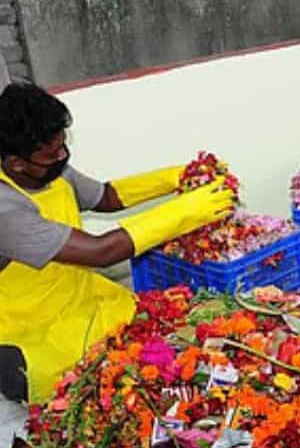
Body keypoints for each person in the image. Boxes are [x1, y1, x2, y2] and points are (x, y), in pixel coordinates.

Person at [0, 82, 234, 404]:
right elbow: (101, 252)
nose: (63, 156)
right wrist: (183, 214)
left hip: (81, 298)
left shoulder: (48, 171)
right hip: (30, 327)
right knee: (66, 379)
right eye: (52, 154)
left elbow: (106, 197)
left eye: (63, 146)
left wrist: (174, 178)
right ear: (16, 163)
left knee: (154, 331)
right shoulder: (6, 210)